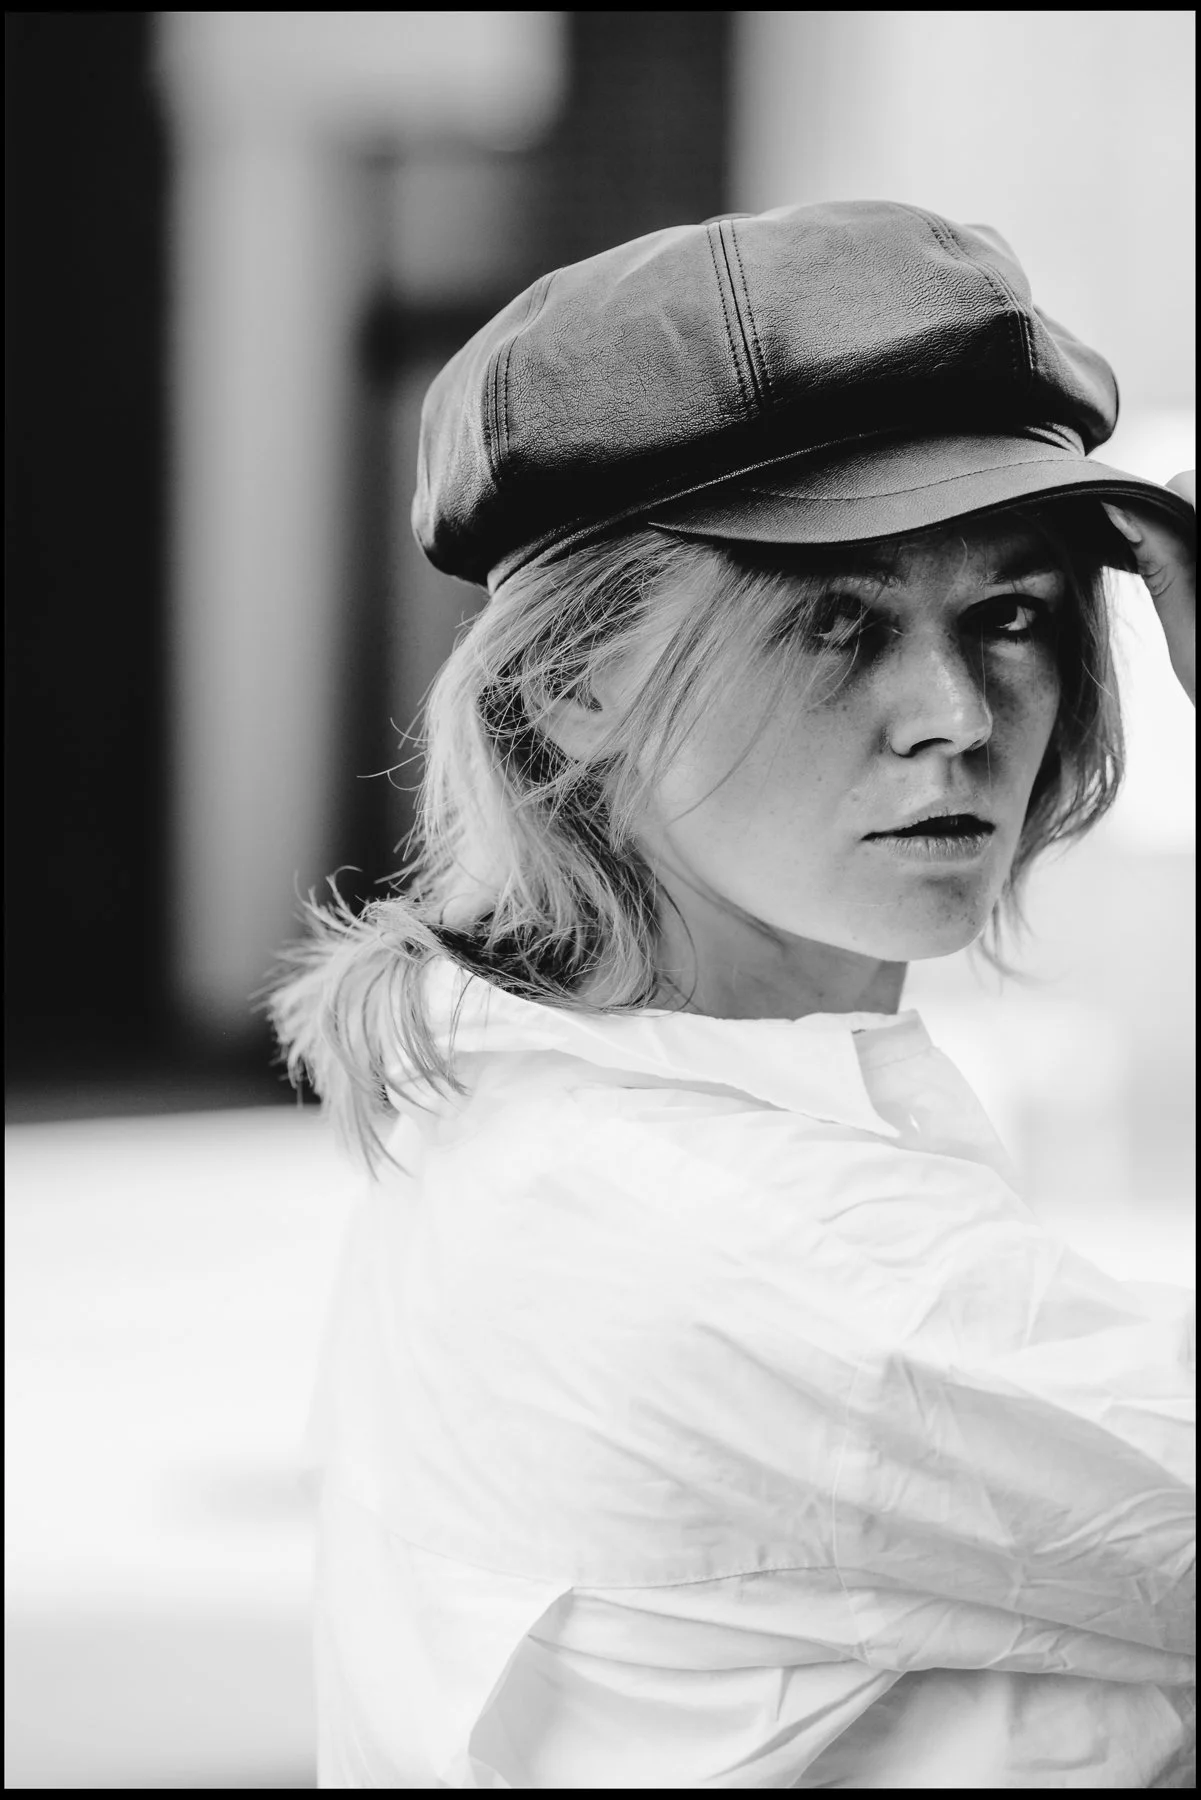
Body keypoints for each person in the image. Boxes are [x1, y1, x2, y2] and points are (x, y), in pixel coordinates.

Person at [269, 200, 1195, 1788]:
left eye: (1012, 613)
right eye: (835, 620)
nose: (956, 713)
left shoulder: (562, 1100)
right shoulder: (759, 1248)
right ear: (574, 684)